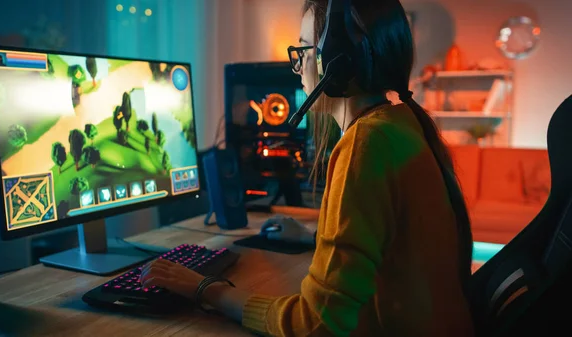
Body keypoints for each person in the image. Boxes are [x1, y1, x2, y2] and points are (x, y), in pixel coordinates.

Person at [140, 0, 475, 335]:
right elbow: (385, 246)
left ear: (337, 60)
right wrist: (315, 238)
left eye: (303, 48)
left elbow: (315, 324)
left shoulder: (366, 144)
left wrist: (208, 289)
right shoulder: (403, 123)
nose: (297, 66)